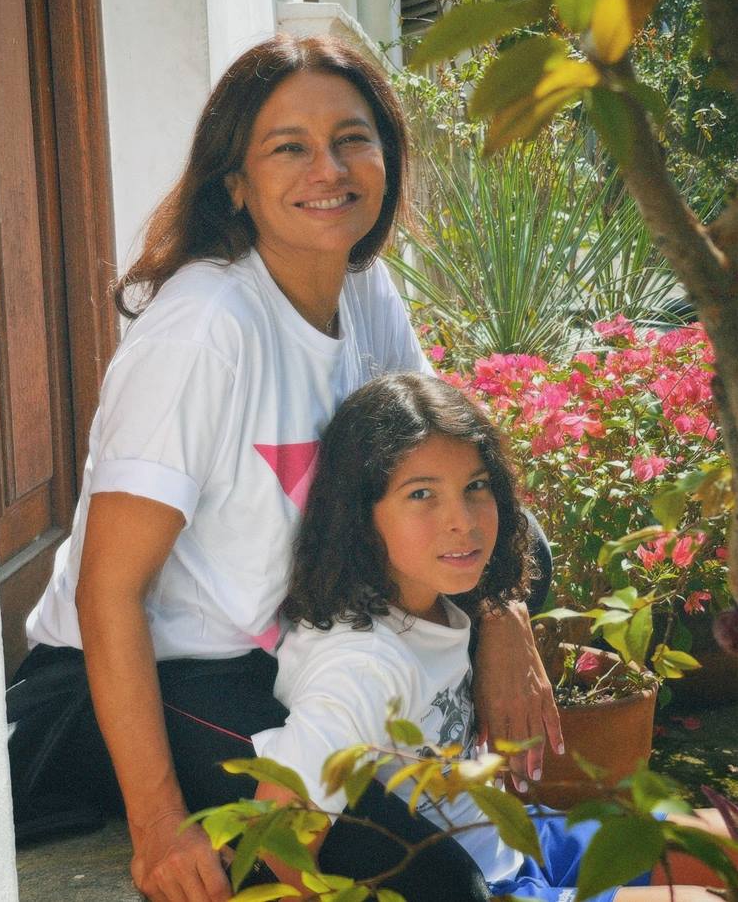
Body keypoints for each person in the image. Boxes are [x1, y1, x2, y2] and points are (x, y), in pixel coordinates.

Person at [7, 35, 560, 902]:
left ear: (386, 155)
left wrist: (502, 612)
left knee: (519, 545)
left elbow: (453, 463)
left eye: (352, 138)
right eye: (288, 147)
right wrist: (159, 829)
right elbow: (108, 592)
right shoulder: (205, 333)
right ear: (236, 182)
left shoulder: (365, 287)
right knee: (441, 885)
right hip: (181, 666)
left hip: (317, 626)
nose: (328, 169)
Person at [253, 372, 737, 902]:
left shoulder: (437, 601)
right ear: (362, 517)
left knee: (726, 842)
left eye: (476, 487)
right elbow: (275, 843)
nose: (463, 521)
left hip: (522, 839)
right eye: (421, 495)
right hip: (488, 887)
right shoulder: (362, 664)